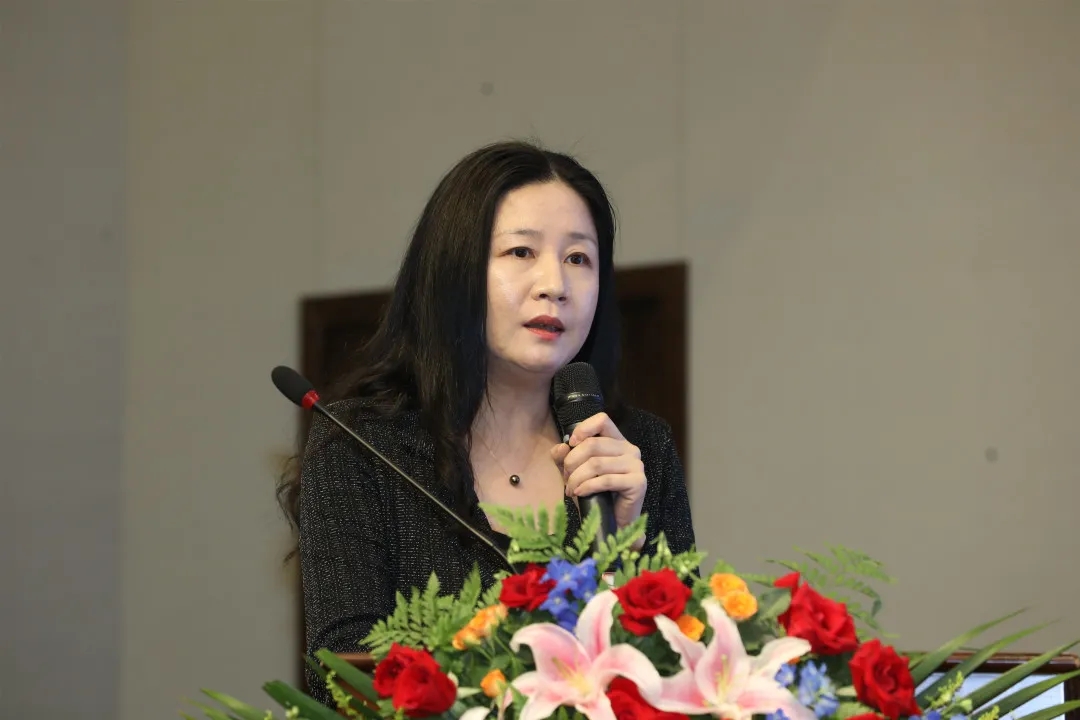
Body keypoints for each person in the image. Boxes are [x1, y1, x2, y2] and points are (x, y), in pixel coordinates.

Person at [276, 140, 696, 705]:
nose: (554, 284)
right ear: (454, 272)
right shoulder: (363, 444)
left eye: (579, 258)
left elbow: (685, 669)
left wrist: (619, 544)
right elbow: (341, 681)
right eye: (521, 252)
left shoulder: (639, 449)